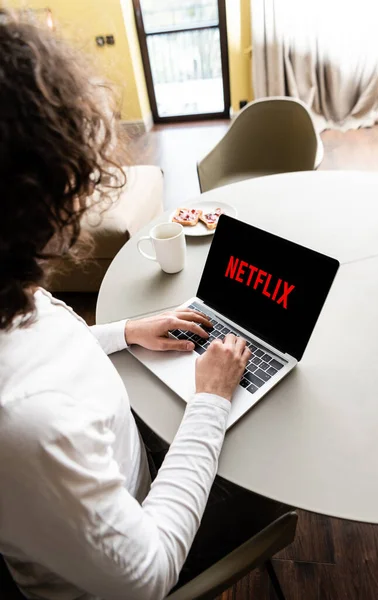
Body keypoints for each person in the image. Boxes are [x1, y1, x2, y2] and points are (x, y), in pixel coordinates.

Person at [0, 12, 289, 600]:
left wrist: (127, 330)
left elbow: (44, 340)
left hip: (114, 469)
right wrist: (208, 401)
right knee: (278, 471)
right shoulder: (23, 426)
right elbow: (149, 577)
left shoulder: (11, 290)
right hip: (140, 529)